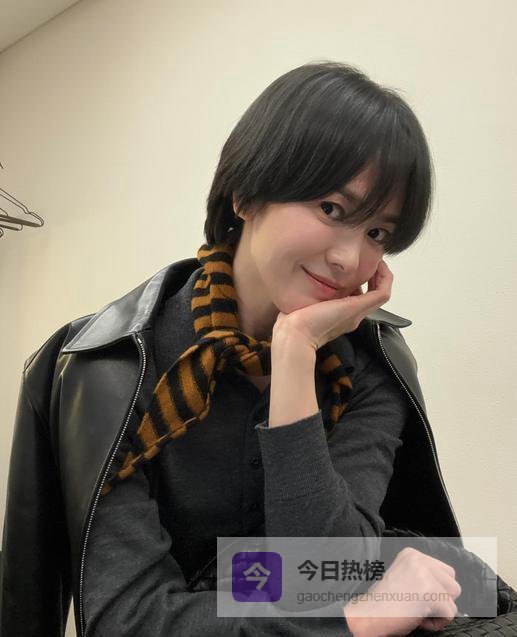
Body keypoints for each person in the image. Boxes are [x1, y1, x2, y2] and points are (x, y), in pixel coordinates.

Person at [0, 61, 463, 637]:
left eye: (378, 234)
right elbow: (129, 618)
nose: (350, 259)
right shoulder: (112, 367)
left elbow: (325, 577)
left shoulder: (369, 365)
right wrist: (352, 616)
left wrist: (294, 354)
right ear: (245, 194)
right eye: (332, 209)